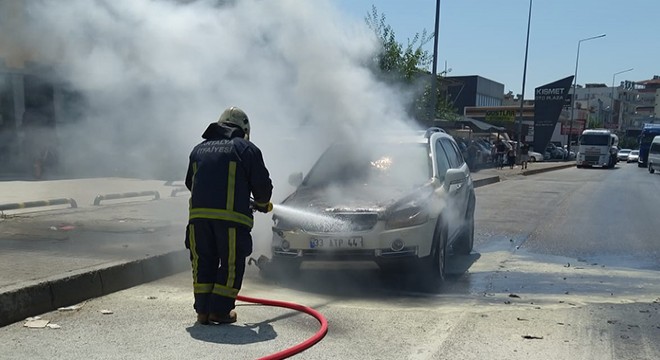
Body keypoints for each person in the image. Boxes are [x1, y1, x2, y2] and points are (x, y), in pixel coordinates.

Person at [184, 106, 273, 325]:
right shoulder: (246, 148)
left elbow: (190, 183)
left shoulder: (198, 149)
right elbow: (262, 187)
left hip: (198, 221)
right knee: (231, 265)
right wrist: (261, 203)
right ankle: (220, 311)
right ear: (244, 129)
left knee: (203, 262)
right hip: (231, 222)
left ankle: (203, 312)